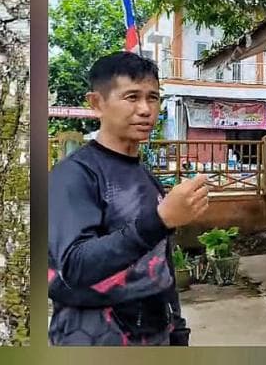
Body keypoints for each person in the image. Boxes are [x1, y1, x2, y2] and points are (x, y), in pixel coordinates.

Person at [48, 51, 206, 347]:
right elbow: (74, 266)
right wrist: (160, 220)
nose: (145, 109)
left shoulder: (147, 178)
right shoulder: (73, 176)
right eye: (132, 97)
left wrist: (178, 331)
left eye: (153, 97)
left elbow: (161, 263)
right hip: (91, 338)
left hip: (154, 335)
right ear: (97, 103)